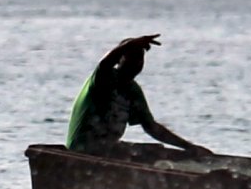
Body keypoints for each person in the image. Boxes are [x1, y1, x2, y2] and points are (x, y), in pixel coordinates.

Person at [66, 35, 212, 155]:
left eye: (140, 59)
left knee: (156, 151)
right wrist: (129, 44)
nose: (136, 63)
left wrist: (189, 147)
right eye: (131, 57)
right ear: (120, 60)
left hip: (109, 150)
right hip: (83, 150)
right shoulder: (104, 78)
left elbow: (151, 127)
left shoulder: (132, 91)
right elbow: (106, 63)